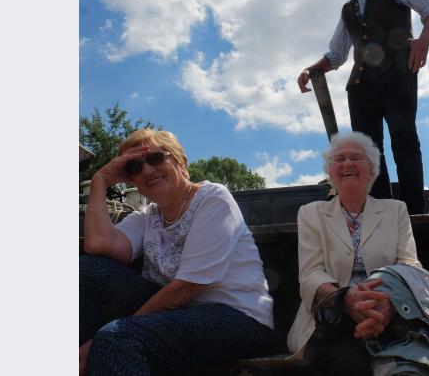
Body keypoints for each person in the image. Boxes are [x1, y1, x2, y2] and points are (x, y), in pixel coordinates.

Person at [80, 129, 280, 375]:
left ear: (181, 163)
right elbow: (98, 244)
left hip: (238, 317)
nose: (147, 170)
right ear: (135, 185)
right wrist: (100, 179)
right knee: (87, 271)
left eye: (155, 158)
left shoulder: (213, 198)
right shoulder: (148, 216)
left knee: (118, 338)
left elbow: (190, 286)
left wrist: (112, 333)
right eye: (133, 167)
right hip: (177, 316)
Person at [287, 131, 429, 375]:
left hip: (388, 307)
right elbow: (311, 274)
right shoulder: (310, 213)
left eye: (356, 157)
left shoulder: (395, 210)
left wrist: (390, 305)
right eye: (339, 159)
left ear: (372, 171)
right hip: (332, 315)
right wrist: (346, 299)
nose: (347, 163)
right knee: (341, 360)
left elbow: (409, 265)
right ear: (330, 171)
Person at [297, 0, 429, 215]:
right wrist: (311, 70)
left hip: (398, 75)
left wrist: (423, 41)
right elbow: (336, 55)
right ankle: (383, 213)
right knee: (368, 152)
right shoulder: (348, 9)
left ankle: (414, 211)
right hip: (362, 87)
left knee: (404, 140)